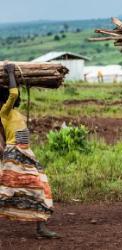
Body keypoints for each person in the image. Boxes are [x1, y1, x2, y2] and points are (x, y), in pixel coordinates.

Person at [0, 63, 59, 238]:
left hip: (25, 154)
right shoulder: (4, 111)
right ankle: (41, 228)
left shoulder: (14, 113)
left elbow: (15, 93)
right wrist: (11, 72)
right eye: (12, 95)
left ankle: (41, 227)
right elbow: (14, 93)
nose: (18, 97)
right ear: (5, 99)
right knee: (15, 190)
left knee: (38, 188)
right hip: (15, 154)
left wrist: (15, 80)